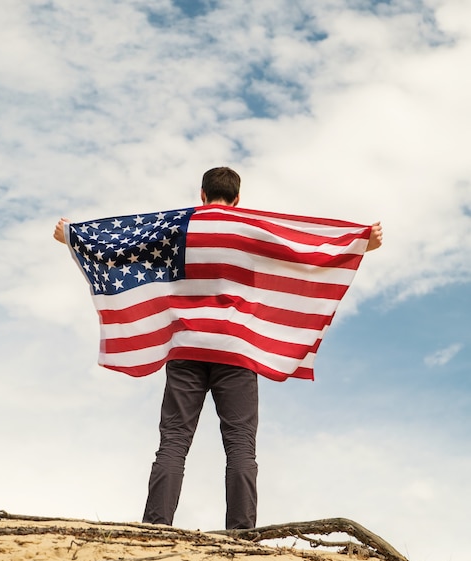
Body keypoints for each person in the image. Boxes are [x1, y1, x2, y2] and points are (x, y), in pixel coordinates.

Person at [54, 166, 383, 530]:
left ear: (202, 194)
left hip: (186, 349)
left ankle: (155, 526)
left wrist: (72, 237)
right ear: (237, 198)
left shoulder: (180, 226)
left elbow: (125, 247)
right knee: (241, 446)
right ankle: (241, 534)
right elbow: (301, 252)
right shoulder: (250, 228)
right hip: (236, 351)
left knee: (173, 441)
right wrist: (360, 241)